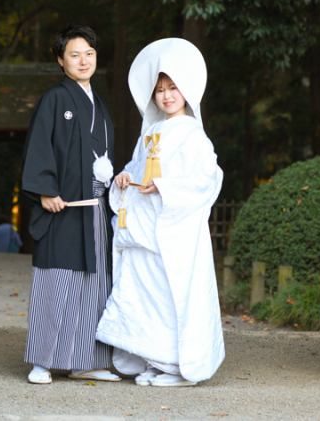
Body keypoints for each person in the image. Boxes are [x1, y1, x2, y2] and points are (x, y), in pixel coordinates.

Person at [95, 38, 224, 387]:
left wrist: (166, 187)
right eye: (160, 90)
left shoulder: (195, 136)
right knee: (145, 295)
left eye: (173, 88)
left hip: (174, 233)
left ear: (186, 90)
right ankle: (157, 360)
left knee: (171, 296)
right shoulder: (150, 132)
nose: (166, 96)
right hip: (145, 230)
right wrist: (124, 179)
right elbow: (138, 170)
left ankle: (178, 367)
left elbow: (206, 179)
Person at [20, 24, 117, 385]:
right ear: (61, 60)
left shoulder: (100, 105)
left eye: (89, 53)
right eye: (74, 54)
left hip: (95, 206)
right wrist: (45, 190)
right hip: (63, 204)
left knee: (94, 283)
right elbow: (39, 145)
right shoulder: (55, 99)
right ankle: (43, 361)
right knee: (56, 280)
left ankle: (85, 360)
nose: (83, 60)